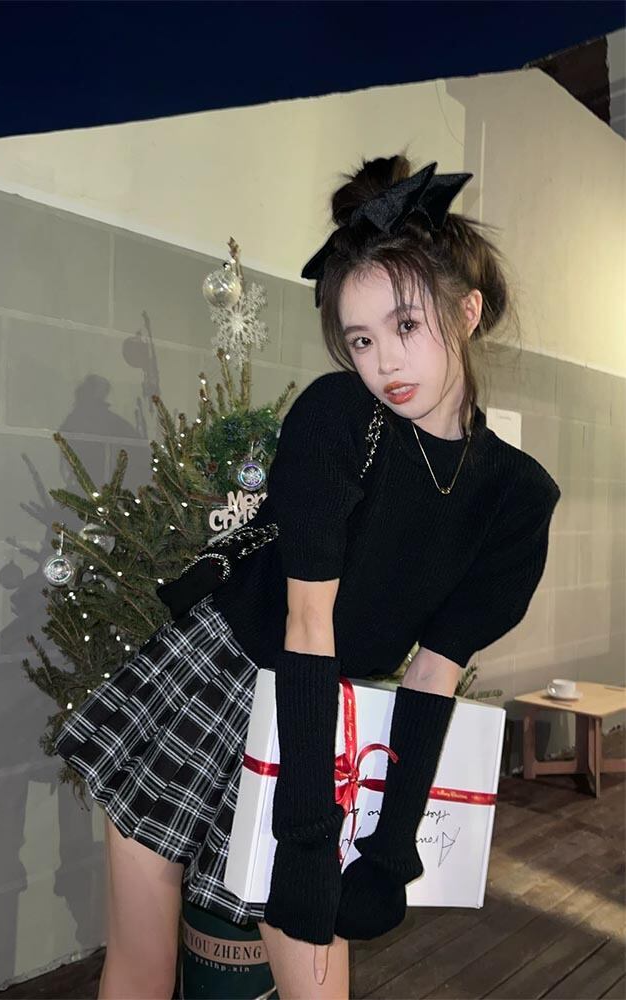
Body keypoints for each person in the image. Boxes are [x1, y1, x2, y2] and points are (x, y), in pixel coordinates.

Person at [54, 152, 562, 999]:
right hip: (220, 678)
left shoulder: (515, 497)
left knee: (319, 987)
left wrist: (390, 850)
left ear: (467, 310)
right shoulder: (339, 416)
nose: (384, 362)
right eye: (361, 339)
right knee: (143, 960)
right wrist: (306, 838)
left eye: (406, 325)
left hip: (327, 718)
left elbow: (435, 670)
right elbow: (307, 623)